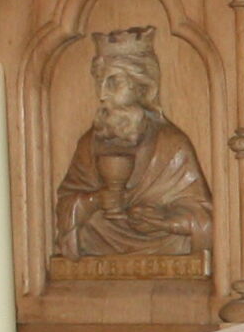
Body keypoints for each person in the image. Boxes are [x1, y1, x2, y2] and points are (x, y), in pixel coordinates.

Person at [58, 27, 213, 259]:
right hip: (103, 237)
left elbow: (203, 216)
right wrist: (96, 200)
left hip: (160, 240)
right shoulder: (88, 144)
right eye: (99, 81)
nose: (102, 94)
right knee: (92, 227)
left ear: (141, 85)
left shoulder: (172, 144)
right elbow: (66, 205)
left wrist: (165, 222)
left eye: (113, 83)